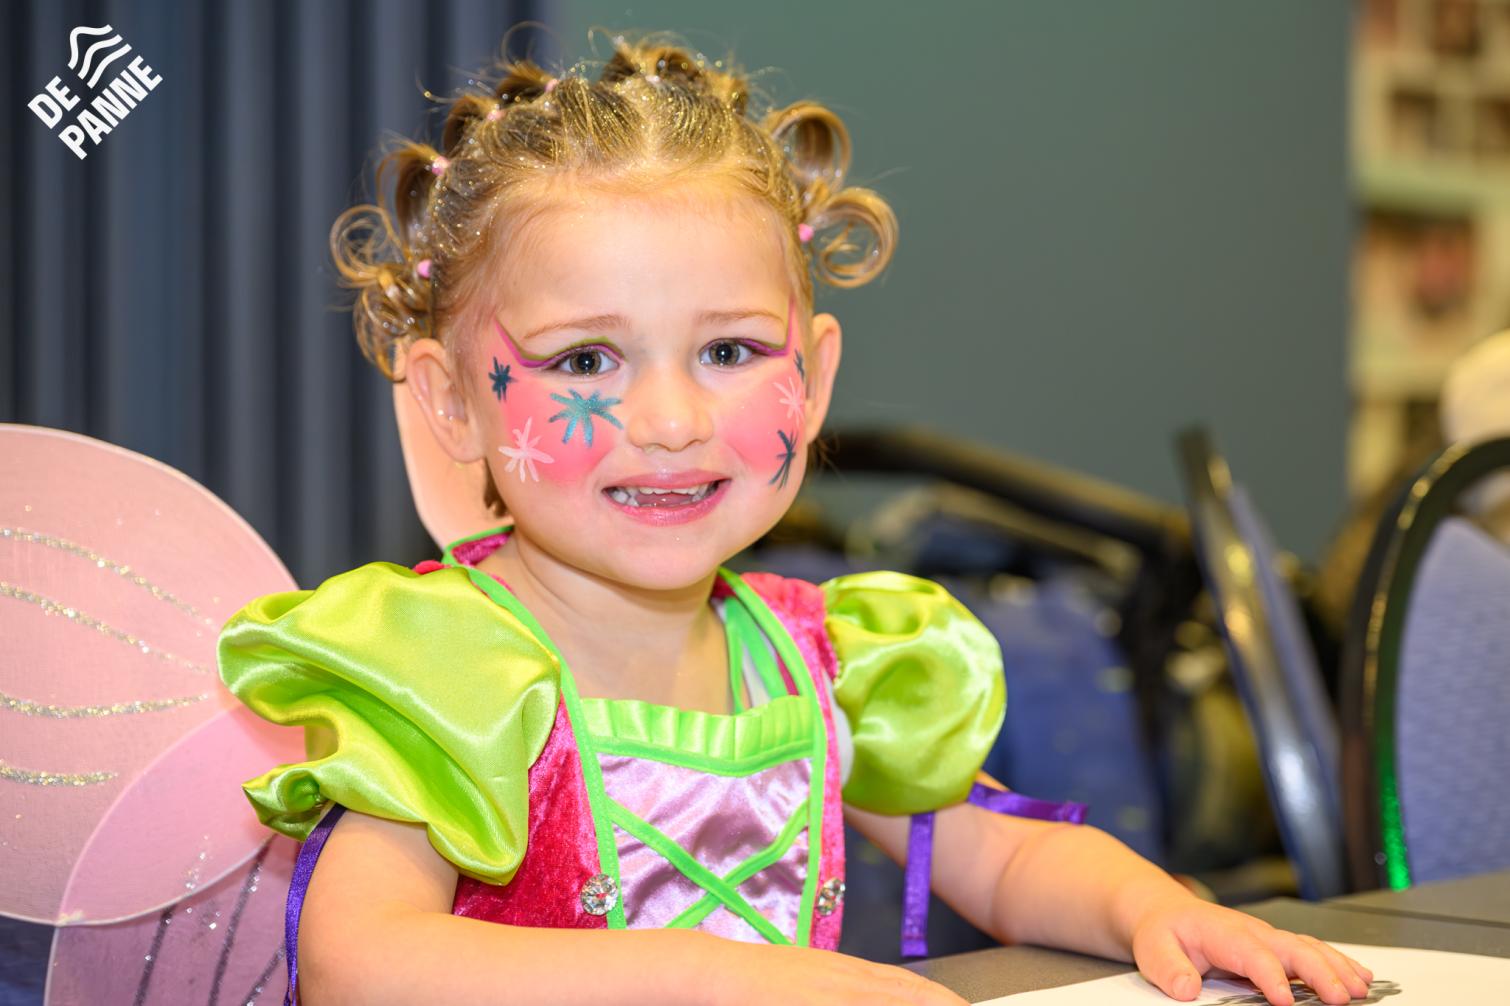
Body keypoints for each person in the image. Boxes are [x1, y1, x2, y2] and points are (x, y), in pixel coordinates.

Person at [218, 34, 1375, 1006]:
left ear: (813, 378)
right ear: (449, 400)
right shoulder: (447, 671)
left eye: (729, 351)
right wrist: (716, 975)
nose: (671, 420)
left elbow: (1004, 853)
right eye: (584, 359)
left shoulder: (822, 659)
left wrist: (1153, 909)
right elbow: (359, 959)